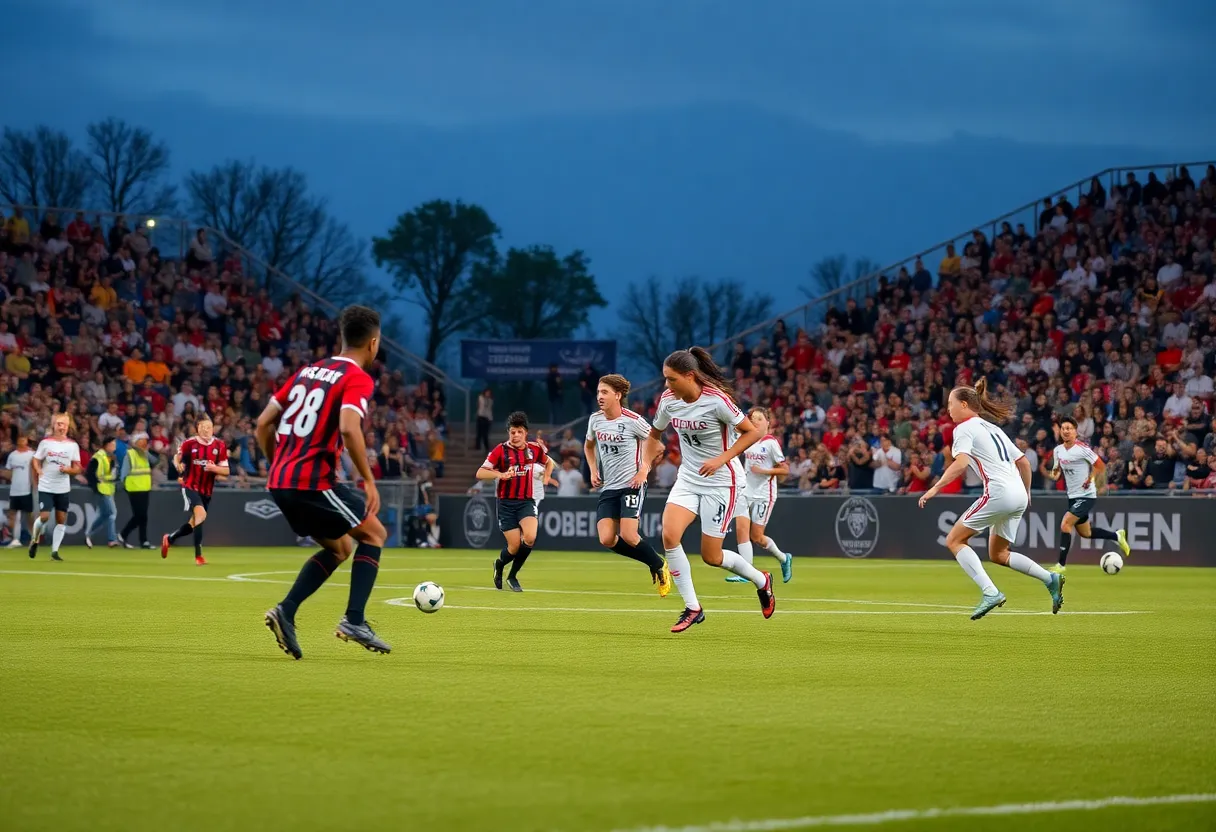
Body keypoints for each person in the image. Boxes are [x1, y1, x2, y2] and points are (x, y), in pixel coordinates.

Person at [258, 306, 390, 659]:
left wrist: (279, 464)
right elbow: (349, 427)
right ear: (373, 343)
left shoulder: (307, 371)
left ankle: (286, 611)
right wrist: (368, 479)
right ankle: (354, 620)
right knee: (375, 535)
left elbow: (262, 423)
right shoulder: (357, 377)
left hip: (281, 481)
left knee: (340, 548)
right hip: (313, 482)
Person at [640, 347, 776, 634]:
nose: (666, 385)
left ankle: (762, 581)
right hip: (689, 477)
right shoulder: (668, 400)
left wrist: (721, 459)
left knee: (711, 557)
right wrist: (645, 465)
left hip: (721, 481)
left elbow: (753, 431)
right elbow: (654, 435)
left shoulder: (717, 401)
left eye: (672, 379)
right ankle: (693, 608)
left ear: (690, 376)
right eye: (665, 379)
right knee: (669, 534)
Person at [918, 379, 1064, 620]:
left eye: (951, 404)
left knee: (954, 540)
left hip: (999, 492)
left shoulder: (963, 429)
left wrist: (935, 488)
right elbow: (1024, 462)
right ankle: (1050, 578)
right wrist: (1026, 492)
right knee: (999, 554)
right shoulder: (993, 428)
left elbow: (961, 463)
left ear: (964, 404)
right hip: (1017, 493)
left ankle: (990, 592)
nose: (948, 409)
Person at [584, 374, 671, 595]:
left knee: (630, 536)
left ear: (618, 395)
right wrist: (594, 470)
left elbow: (658, 447)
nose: (599, 396)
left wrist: (644, 470)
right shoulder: (595, 420)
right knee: (606, 539)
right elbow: (588, 446)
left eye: (604, 392)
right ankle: (655, 561)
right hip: (609, 487)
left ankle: (660, 566)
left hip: (631, 484)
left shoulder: (633, 420)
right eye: (598, 392)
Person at [1047, 417, 1131, 574]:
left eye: (1069, 428)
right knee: (1086, 533)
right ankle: (1117, 536)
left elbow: (1100, 465)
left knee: (1065, 523)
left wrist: (1089, 478)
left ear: (1075, 432)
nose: (1066, 431)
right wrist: (1054, 472)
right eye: (1063, 428)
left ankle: (1061, 565)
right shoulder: (1057, 450)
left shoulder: (1082, 449)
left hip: (1086, 495)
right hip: (1072, 495)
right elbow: (1057, 470)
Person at [477, 411, 547, 592]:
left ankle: (513, 576)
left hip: (526, 501)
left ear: (525, 433)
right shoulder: (500, 451)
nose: (515, 436)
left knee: (530, 537)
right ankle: (499, 565)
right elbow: (480, 473)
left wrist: (546, 475)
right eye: (512, 432)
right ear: (509, 433)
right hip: (506, 504)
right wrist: (500, 475)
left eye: (519, 432)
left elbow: (548, 462)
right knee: (514, 546)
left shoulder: (534, 449)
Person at [724, 407, 793, 584]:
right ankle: (746, 572)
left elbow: (785, 470)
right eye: (753, 418)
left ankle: (784, 558)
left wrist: (764, 470)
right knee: (741, 529)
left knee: (757, 537)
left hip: (764, 493)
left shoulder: (770, 442)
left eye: (759, 419)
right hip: (745, 490)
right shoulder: (748, 438)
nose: (755, 421)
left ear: (768, 423)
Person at [162, 414, 230, 565]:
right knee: (200, 514)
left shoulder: (220, 445)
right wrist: (177, 464)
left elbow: (226, 471)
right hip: (190, 486)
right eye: (203, 427)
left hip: (207, 491)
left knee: (193, 523)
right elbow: (176, 457)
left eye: (209, 427)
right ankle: (198, 556)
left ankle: (170, 538)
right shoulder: (189, 444)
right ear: (197, 428)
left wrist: (215, 468)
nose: (206, 430)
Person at [29, 413, 82, 561]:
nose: (61, 427)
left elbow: (78, 468)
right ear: (53, 425)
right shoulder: (46, 443)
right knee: (45, 516)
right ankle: (35, 539)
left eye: (64, 424)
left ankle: (54, 552)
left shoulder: (72, 445)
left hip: (63, 487)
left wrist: (69, 470)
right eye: (59, 423)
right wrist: (38, 469)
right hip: (46, 485)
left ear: (67, 426)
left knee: (61, 519)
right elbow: (35, 459)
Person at [119, 432, 154, 549]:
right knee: (140, 515)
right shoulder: (130, 454)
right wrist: (124, 484)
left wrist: (147, 451)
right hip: (134, 488)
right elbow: (124, 472)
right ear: (136, 442)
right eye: (142, 441)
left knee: (143, 516)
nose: (145, 443)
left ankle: (143, 541)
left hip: (144, 488)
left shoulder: (144, 454)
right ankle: (124, 534)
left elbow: (156, 461)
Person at [84, 435, 119, 549]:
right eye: (113, 445)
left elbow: (112, 475)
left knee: (105, 515)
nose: (114, 447)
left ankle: (88, 534)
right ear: (107, 445)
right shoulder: (98, 457)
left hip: (109, 489)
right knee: (112, 513)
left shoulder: (111, 457)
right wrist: (95, 487)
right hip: (101, 489)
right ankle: (112, 539)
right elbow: (90, 473)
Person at [3, 435, 35, 548]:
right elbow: (8, 472)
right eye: (20, 439)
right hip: (14, 490)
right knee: (13, 515)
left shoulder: (32, 454)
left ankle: (33, 539)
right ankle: (15, 539)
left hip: (26, 490)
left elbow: (36, 470)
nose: (22, 440)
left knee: (29, 516)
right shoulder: (12, 455)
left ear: (27, 440)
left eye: (24, 438)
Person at [475, 387, 493, 452]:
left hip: (487, 418)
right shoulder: (481, 398)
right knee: (479, 432)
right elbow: (480, 406)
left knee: (485, 434)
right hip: (481, 416)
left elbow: (489, 410)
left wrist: (490, 418)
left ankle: (486, 447)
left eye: (489, 393)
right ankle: (477, 446)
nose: (488, 394)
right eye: (487, 392)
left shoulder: (490, 400)